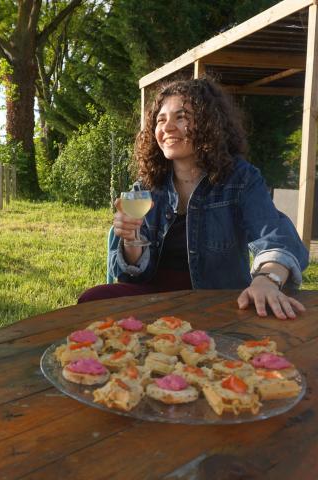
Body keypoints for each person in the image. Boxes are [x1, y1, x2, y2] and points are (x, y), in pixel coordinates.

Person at [78, 77, 309, 320]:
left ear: (209, 123)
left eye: (181, 117)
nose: (167, 128)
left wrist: (267, 281)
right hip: (154, 297)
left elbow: (274, 237)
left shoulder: (240, 179)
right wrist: (131, 239)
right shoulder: (147, 187)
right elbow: (135, 275)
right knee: (91, 301)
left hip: (214, 299)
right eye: (161, 120)